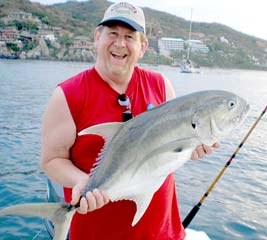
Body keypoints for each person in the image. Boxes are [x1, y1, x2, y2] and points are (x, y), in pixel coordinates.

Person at [40, 2, 219, 239]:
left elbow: (166, 153)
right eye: (112, 33)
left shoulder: (161, 85)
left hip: (163, 232)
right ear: (97, 37)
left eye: (129, 36)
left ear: (142, 46)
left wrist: (193, 149)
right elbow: (51, 160)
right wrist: (83, 182)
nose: (120, 43)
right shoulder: (68, 95)